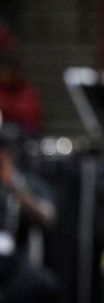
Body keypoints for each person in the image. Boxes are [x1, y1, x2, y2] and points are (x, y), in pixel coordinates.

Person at [0, 127, 60, 302]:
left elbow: (48, 217)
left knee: (42, 283)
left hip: (16, 258)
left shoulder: (27, 184)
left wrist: (13, 185)